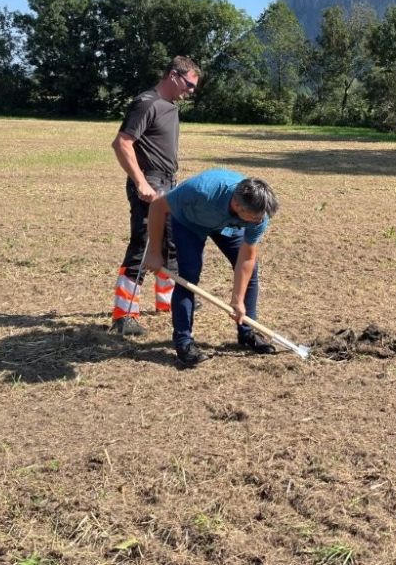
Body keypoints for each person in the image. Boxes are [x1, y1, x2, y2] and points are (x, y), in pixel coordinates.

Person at [143, 167, 280, 368]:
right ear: (236, 205)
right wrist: (155, 252)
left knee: (251, 274)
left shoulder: (259, 215)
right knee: (189, 277)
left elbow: (247, 259)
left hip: (227, 226)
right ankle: (184, 343)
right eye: (254, 219)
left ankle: (248, 332)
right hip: (189, 221)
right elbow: (157, 206)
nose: (259, 222)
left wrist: (238, 300)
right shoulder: (201, 190)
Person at [110, 56, 200, 336]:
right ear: (173, 76)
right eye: (189, 84)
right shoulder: (146, 102)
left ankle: (167, 301)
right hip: (150, 182)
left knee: (171, 242)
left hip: (168, 183)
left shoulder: (169, 107)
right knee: (143, 243)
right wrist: (140, 183)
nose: (191, 91)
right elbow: (122, 142)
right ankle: (124, 315)